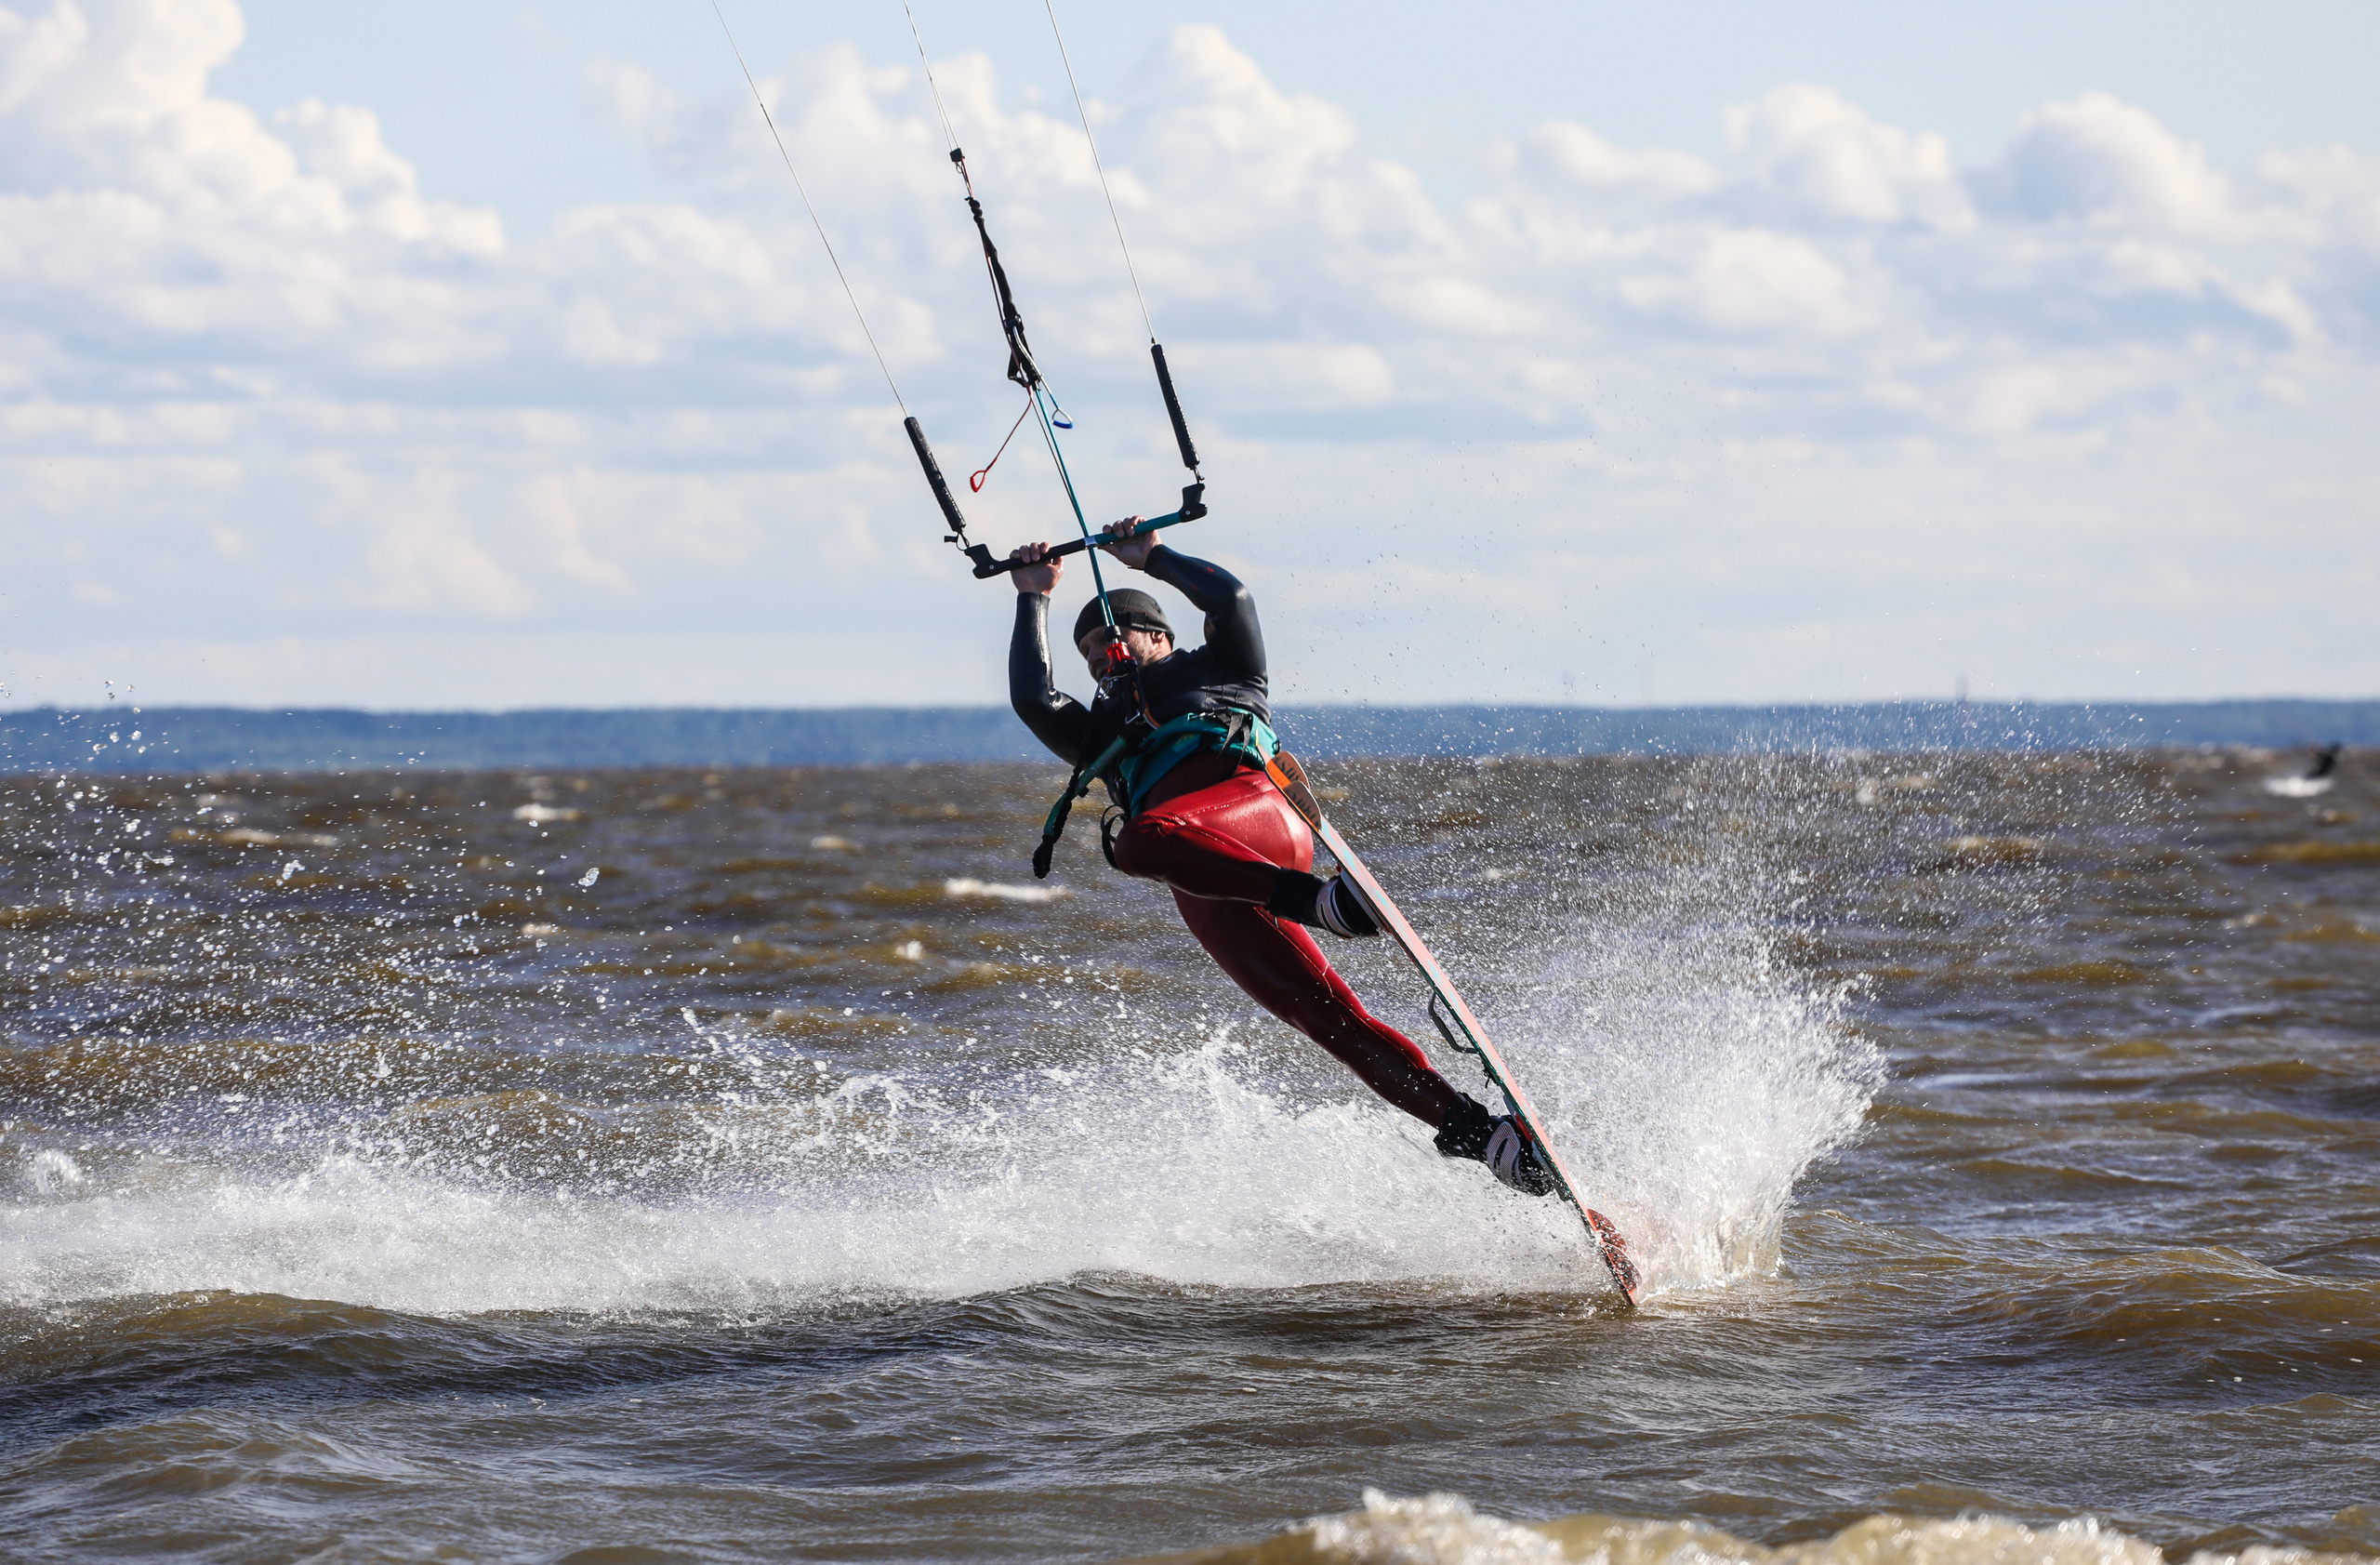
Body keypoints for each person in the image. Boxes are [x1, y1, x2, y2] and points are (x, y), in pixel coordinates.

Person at [1006, 519, 1554, 1195]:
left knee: (1134, 840)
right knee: (1321, 1016)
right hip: (1203, 878)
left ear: (1160, 636)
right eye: (1086, 649)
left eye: (1111, 634)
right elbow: (1033, 698)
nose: (1097, 654)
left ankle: (1321, 902)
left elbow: (1231, 600)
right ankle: (1486, 1137)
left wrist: (1153, 557)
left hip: (1256, 815)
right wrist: (1034, 593)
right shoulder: (1097, 730)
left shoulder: (1219, 669)